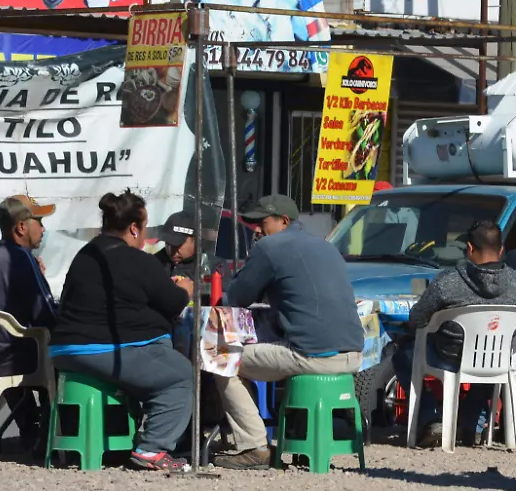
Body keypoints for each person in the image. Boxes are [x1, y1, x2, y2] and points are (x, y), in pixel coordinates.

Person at [49, 190, 196, 471]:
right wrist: (184, 289)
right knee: (180, 375)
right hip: (102, 350)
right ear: (133, 228)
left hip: (64, 350)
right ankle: (152, 449)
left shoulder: (85, 254)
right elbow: (173, 301)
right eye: (143, 228)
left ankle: (121, 437)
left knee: (158, 357)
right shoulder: (138, 260)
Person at [217, 194, 364, 470]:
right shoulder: (326, 246)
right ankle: (293, 436)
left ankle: (254, 445)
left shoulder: (271, 247)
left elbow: (237, 297)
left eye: (262, 223)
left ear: (284, 221)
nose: (257, 230)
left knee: (222, 359)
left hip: (315, 356)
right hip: (354, 353)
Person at [393, 221, 516, 448]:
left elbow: (417, 319)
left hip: (448, 356)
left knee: (404, 355)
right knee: (490, 353)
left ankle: (431, 418)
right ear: (501, 250)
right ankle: (473, 423)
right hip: (498, 359)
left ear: (469, 248)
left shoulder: (448, 282)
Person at [0, 195, 59, 456]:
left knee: (16, 341)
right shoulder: (22, 259)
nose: (42, 228)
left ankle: (29, 427)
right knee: (66, 354)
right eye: (38, 221)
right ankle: (49, 437)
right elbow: (46, 317)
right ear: (21, 227)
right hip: (12, 359)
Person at [154, 211, 198, 279]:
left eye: (177, 243)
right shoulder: (153, 263)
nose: (171, 250)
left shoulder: (209, 269)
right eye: (168, 243)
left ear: (194, 240)